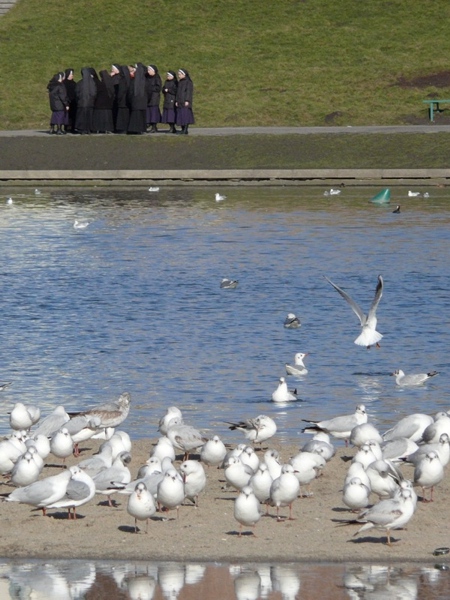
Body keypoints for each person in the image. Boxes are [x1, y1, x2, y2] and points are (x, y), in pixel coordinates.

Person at [127, 63, 148, 134]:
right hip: (143, 102)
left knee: (135, 116)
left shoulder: (134, 81)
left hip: (135, 101)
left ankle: (134, 129)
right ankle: (142, 129)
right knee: (141, 117)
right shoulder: (145, 80)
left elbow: (130, 91)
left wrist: (130, 99)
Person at [75, 67, 97, 134]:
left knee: (82, 117)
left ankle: (82, 129)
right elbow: (94, 93)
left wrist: (79, 98)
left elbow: (76, 92)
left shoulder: (80, 83)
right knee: (89, 117)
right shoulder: (92, 83)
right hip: (90, 103)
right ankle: (88, 129)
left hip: (82, 103)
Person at [111, 64, 131, 133]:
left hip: (122, 100)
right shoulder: (128, 79)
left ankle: (121, 128)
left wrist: (118, 98)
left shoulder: (122, 80)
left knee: (122, 115)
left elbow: (121, 91)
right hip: (126, 100)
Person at [175, 69, 195, 134]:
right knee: (180, 116)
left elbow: (189, 92)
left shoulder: (188, 82)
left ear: (184, 74)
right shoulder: (180, 82)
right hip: (180, 101)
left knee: (185, 116)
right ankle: (182, 129)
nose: (179, 76)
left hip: (185, 101)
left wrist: (187, 100)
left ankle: (185, 129)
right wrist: (177, 100)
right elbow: (178, 92)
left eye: (180, 74)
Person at [146, 65, 162, 133]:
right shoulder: (147, 78)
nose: (148, 71)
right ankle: (149, 124)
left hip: (154, 98)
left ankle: (154, 127)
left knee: (154, 112)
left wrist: (150, 88)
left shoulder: (157, 78)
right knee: (149, 112)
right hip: (148, 97)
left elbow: (158, 88)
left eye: (150, 70)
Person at [63, 68, 77, 133]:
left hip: (73, 102)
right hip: (67, 101)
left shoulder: (74, 83)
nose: (72, 75)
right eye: (71, 74)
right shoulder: (64, 83)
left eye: (72, 74)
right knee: (66, 115)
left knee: (73, 115)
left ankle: (72, 128)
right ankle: (66, 127)